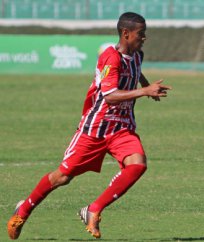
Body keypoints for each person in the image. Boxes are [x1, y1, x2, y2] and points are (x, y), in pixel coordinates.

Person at [7, 12, 171, 240]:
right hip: (95, 129)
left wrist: (145, 84)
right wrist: (144, 91)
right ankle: (23, 210)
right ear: (126, 33)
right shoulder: (110, 57)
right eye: (140, 34)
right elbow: (110, 95)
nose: (144, 38)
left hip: (121, 128)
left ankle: (93, 209)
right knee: (62, 177)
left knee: (137, 165)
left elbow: (135, 70)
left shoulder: (137, 55)